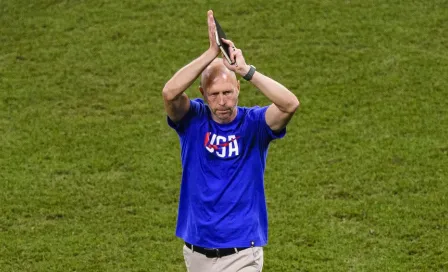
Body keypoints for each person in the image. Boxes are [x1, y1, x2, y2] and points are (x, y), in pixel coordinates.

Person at [162, 10, 299, 272]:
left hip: (243, 253)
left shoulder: (255, 124)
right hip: (197, 252)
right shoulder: (192, 120)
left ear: (238, 87)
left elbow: (290, 104)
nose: (222, 101)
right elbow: (169, 93)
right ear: (203, 93)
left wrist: (247, 70)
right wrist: (211, 54)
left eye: (228, 92)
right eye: (214, 95)